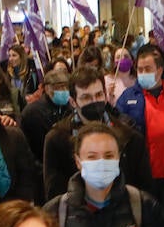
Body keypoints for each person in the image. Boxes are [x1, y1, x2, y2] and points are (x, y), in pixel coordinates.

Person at [42, 67, 152, 201]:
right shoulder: (57, 139)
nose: (94, 101)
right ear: (73, 102)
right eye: (86, 97)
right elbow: (55, 193)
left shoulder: (129, 135)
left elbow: (144, 190)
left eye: (99, 95)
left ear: (106, 96)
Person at [116, 43, 164, 220]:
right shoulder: (128, 97)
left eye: (147, 68)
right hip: (143, 173)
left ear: (159, 69)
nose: (142, 73)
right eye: (140, 69)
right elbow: (118, 131)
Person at [21, 68, 76, 161]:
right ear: (47, 89)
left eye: (66, 87)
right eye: (59, 87)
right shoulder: (33, 113)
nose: (64, 90)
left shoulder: (71, 108)